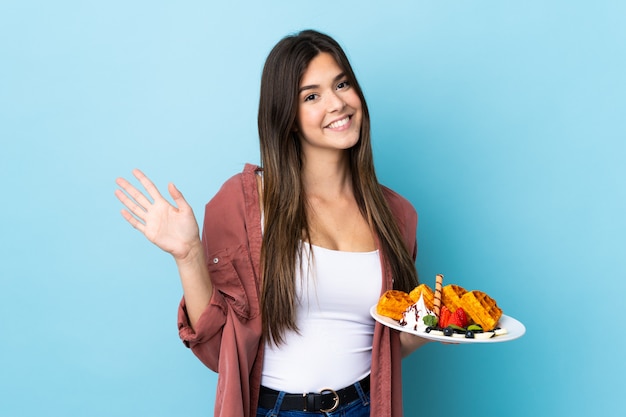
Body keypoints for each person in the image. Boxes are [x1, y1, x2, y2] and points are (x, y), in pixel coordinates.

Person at [115, 29, 429, 417]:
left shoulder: (396, 214)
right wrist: (189, 254)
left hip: (363, 407)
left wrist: (436, 328)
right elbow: (218, 351)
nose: (337, 103)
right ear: (289, 117)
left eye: (342, 84)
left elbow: (387, 346)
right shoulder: (243, 203)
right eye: (312, 96)